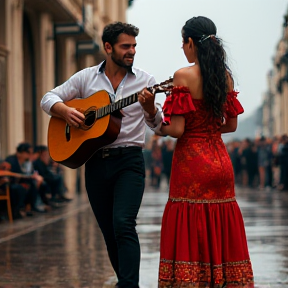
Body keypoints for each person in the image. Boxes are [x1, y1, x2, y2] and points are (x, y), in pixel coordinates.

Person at [40, 22, 162, 288]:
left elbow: (159, 127)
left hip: (130, 161)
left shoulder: (147, 81)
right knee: (109, 230)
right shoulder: (86, 77)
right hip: (95, 161)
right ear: (108, 47)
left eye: (134, 46)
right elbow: (48, 98)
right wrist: (64, 111)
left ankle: (130, 285)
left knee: (123, 223)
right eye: (125, 46)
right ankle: (124, 281)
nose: (131, 51)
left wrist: (151, 109)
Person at [139, 16, 254, 287]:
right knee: (220, 220)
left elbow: (177, 130)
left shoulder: (184, 75)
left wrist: (151, 114)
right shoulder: (224, 76)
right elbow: (231, 125)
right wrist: (209, 131)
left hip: (191, 162)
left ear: (190, 42)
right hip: (220, 161)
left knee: (190, 222)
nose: (183, 48)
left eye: (183, 42)